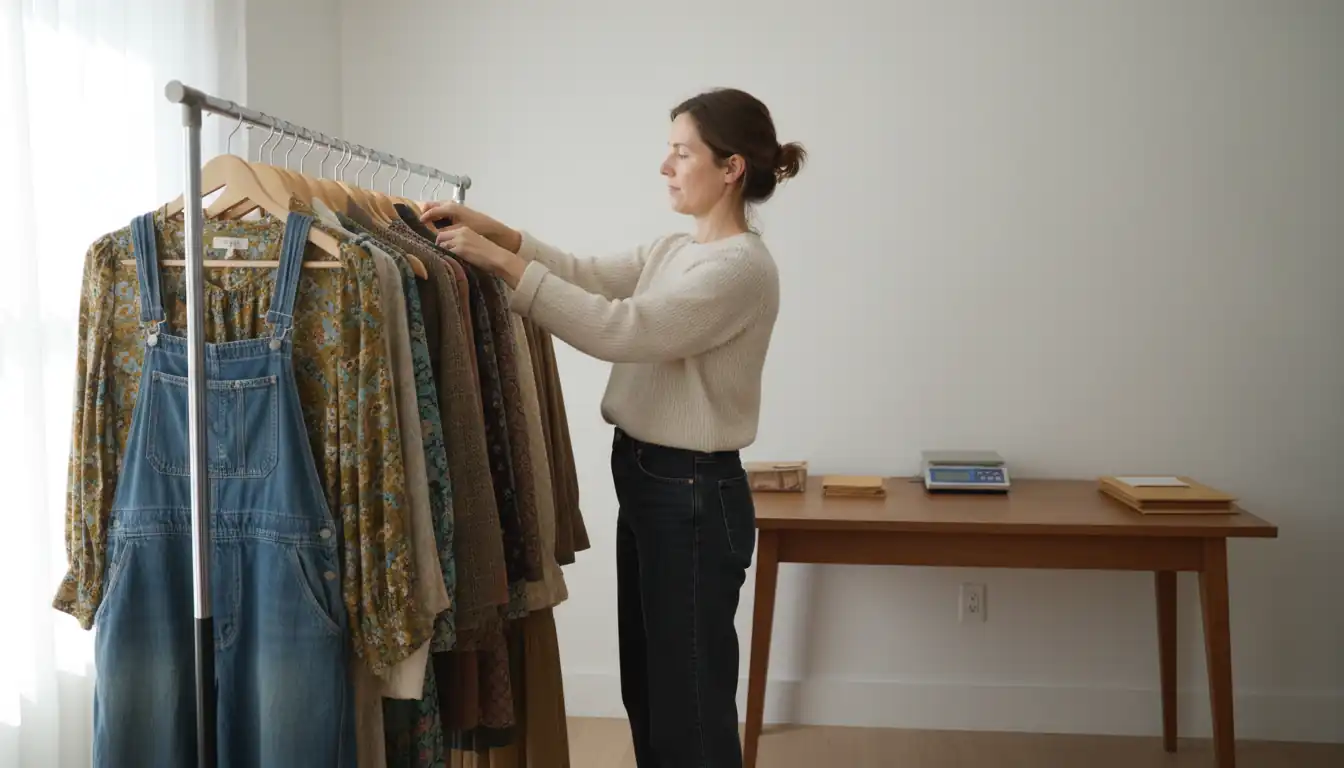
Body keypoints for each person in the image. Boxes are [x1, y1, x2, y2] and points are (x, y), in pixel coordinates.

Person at [420, 87, 805, 768]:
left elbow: (618, 329)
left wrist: (498, 261)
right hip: (655, 483)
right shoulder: (675, 250)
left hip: (689, 494)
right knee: (652, 694)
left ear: (731, 169)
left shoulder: (740, 270)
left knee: (687, 705)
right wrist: (492, 229)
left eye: (682, 152)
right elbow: (584, 275)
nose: (665, 165)